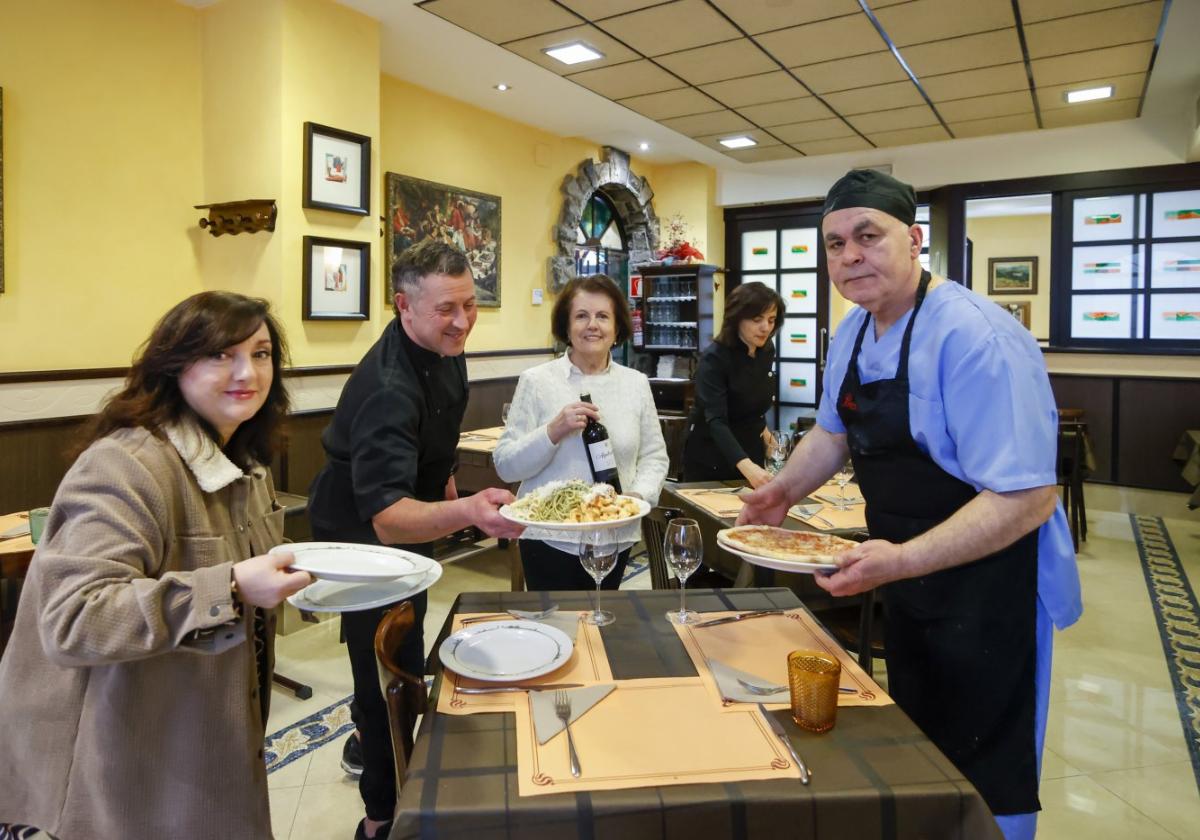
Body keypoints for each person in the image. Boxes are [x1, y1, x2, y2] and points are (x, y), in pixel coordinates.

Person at [738, 169, 1081, 840]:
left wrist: (900, 561)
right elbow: (835, 434)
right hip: (903, 566)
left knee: (989, 749)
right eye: (835, 244)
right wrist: (782, 491)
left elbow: (1027, 496)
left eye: (868, 236)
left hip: (992, 581)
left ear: (915, 239)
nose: (849, 256)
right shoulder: (855, 333)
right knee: (922, 728)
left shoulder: (977, 336)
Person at [0, 292, 312, 839]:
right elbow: (73, 619)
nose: (247, 372)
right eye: (221, 354)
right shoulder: (125, 465)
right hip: (112, 748)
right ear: (174, 365)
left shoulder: (246, 463)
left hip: (199, 725)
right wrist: (234, 586)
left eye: (261, 354)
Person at [306, 239, 523, 840]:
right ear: (404, 306)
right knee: (386, 671)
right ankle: (379, 818)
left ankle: (371, 741)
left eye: (470, 305)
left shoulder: (444, 346)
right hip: (360, 538)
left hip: (403, 520)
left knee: (408, 647)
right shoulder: (387, 388)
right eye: (445, 310)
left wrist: (452, 493)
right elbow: (388, 518)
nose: (462, 322)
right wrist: (469, 512)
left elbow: (438, 441)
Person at [493, 274, 669, 590]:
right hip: (549, 538)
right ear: (566, 326)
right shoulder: (537, 381)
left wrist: (637, 497)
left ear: (617, 328)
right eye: (581, 316)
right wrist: (553, 431)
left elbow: (654, 457)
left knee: (598, 631)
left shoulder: (635, 383)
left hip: (615, 535)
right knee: (557, 633)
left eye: (603, 316)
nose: (592, 325)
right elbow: (506, 465)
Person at [682, 281, 787, 488]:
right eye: (757, 319)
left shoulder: (766, 350)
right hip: (711, 455)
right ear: (737, 318)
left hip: (750, 450)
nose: (765, 327)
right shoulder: (714, 359)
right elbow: (716, 421)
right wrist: (749, 468)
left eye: (771, 320)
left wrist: (768, 438)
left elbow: (753, 405)